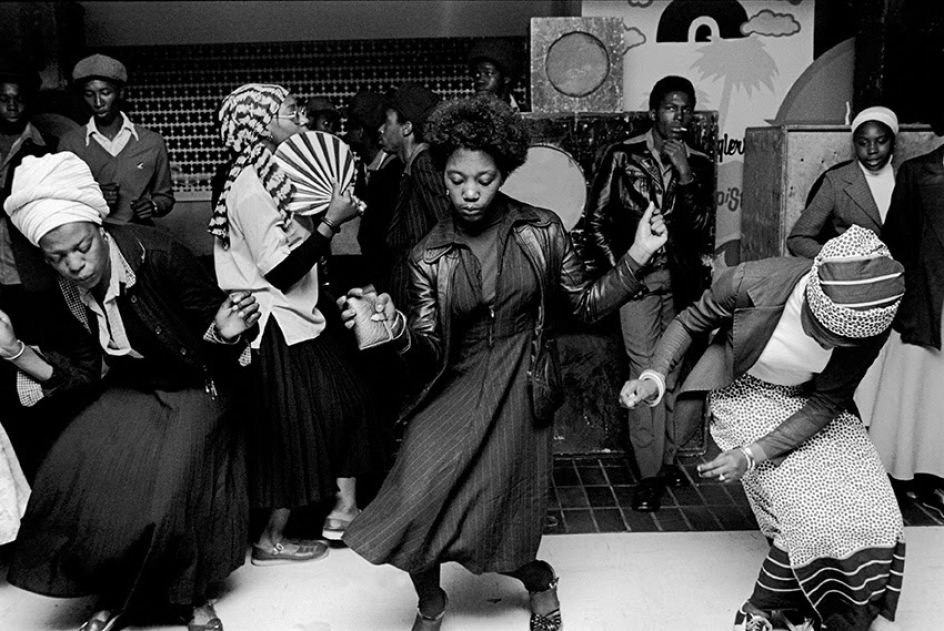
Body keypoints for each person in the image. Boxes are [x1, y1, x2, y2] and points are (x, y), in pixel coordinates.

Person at [341, 95, 667, 631]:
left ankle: (539, 581)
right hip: (453, 387)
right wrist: (389, 327)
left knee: (506, 517)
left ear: (505, 173)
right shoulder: (428, 255)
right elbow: (424, 348)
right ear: (440, 175)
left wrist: (635, 257)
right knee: (412, 503)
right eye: (456, 179)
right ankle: (430, 602)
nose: (470, 192)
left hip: (521, 383)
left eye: (485, 179)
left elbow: (582, 304)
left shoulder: (542, 229)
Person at [3, 151, 259, 631]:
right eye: (57, 257)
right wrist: (15, 349)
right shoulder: (67, 289)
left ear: (100, 229)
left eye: (82, 247)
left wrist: (224, 333)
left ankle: (190, 596)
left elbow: (217, 342)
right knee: (75, 470)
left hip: (197, 382)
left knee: (171, 485)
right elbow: (80, 373)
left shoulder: (158, 255)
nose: (75, 265)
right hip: (135, 389)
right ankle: (116, 590)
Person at [620, 225, 906, 631]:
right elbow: (688, 323)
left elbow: (826, 402)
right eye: (821, 334)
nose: (828, 348)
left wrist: (753, 455)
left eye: (840, 344)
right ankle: (761, 611)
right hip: (747, 389)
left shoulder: (869, 323)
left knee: (876, 509)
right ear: (810, 295)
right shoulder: (751, 283)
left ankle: (836, 615)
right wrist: (655, 376)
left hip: (813, 400)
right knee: (807, 511)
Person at [213, 83, 385, 560]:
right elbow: (282, 272)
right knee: (292, 433)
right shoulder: (250, 186)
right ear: (262, 124)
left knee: (350, 403)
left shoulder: (273, 177)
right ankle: (269, 539)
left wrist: (318, 222)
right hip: (274, 326)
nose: (301, 119)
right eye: (291, 111)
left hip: (300, 319)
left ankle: (344, 510)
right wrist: (330, 222)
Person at [582, 75, 715, 512]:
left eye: (687, 109)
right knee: (645, 372)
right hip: (638, 282)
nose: (681, 117)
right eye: (672, 108)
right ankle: (649, 473)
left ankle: (668, 458)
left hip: (681, 284)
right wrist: (624, 273)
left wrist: (684, 174)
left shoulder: (699, 162)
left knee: (673, 370)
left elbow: (700, 232)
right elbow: (596, 222)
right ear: (654, 112)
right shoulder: (623, 156)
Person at [866, 142, 944, 517]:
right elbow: (895, 243)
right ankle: (902, 477)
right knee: (914, 393)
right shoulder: (917, 172)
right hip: (925, 302)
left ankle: (935, 479)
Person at [57, 54, 175, 225]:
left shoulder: (152, 142)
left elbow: (164, 196)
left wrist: (153, 206)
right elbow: (60, 200)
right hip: (91, 238)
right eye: (89, 94)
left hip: (137, 238)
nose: (98, 102)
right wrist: (93, 197)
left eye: (105, 93)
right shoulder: (70, 143)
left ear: (121, 92)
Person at [787, 106, 899, 258]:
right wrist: (839, 257)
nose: (872, 149)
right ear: (854, 144)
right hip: (853, 275)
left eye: (881, 141)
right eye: (863, 143)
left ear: (893, 142)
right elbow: (798, 239)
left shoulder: (909, 175)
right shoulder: (836, 181)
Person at [381, 83, 451, 310]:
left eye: (388, 122)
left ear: (407, 128)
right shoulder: (412, 166)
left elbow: (447, 225)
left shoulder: (425, 164)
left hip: (423, 299)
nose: (381, 129)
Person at [347, 90, 404, 290]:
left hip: (390, 283)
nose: (345, 135)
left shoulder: (394, 172)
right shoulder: (365, 168)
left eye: (350, 128)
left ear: (361, 131)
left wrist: (381, 284)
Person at [468, 38, 525, 112]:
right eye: (477, 74)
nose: (480, 81)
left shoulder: (524, 113)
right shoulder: (467, 114)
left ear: (506, 78)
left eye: (488, 73)